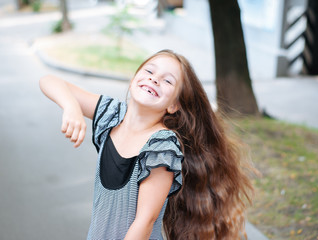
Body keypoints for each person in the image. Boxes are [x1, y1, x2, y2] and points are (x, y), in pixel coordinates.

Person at [39, 49, 256, 240]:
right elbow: (49, 81)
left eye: (167, 81)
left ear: (173, 105)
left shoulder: (162, 146)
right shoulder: (111, 115)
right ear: (135, 77)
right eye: (149, 71)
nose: (154, 79)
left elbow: (144, 222)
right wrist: (71, 107)